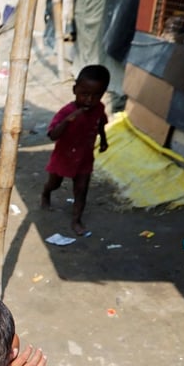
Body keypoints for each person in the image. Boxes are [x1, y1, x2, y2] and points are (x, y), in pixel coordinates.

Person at [40, 64, 111, 237]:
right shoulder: (67, 111)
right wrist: (67, 121)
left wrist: (103, 140)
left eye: (96, 96)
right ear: (75, 90)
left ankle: (76, 220)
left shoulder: (99, 108)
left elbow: (101, 123)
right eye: (84, 94)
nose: (89, 100)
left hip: (85, 157)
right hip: (63, 157)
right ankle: (46, 193)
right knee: (54, 183)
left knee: (81, 190)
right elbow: (52, 135)